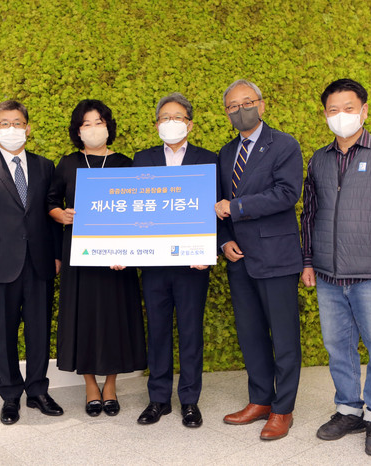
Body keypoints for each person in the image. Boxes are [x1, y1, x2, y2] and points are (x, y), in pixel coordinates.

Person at [300, 79, 371, 457]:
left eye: (348, 108)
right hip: (329, 275)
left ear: (364, 111)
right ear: (325, 114)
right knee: (338, 348)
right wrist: (307, 260)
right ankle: (349, 410)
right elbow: (309, 214)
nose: (341, 116)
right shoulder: (319, 159)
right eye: (333, 110)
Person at [0, 100, 63, 425]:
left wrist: (57, 254)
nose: (12, 129)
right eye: (5, 124)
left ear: (27, 128)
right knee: (3, 332)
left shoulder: (45, 166)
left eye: (17, 123)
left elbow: (51, 213)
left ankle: (37, 391)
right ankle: (9, 395)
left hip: (39, 262)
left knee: (39, 330)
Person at [214, 80, 303, 440]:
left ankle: (283, 409)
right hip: (240, 259)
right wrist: (224, 241)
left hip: (276, 256)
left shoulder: (284, 145)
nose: (241, 110)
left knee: (284, 337)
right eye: (233, 106)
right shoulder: (225, 153)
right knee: (250, 335)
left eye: (247, 102)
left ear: (262, 105)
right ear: (227, 113)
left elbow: (286, 193)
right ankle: (260, 400)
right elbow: (216, 203)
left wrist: (237, 207)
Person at [47, 99, 146, 417]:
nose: (93, 129)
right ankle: (90, 385)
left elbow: (137, 211)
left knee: (116, 317)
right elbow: (51, 202)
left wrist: (126, 251)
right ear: (78, 131)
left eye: (98, 122)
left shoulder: (126, 164)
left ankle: (111, 385)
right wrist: (62, 215)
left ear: (108, 126)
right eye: (86, 124)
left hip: (118, 259)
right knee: (84, 317)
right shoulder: (68, 163)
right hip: (80, 256)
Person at [132, 92, 216, 428]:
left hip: (193, 265)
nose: (171, 123)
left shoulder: (208, 159)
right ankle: (158, 399)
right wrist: (120, 249)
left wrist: (209, 250)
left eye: (177, 117)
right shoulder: (143, 159)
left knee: (191, 331)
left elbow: (216, 208)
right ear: (157, 125)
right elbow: (133, 209)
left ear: (190, 124)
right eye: (165, 117)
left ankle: (190, 401)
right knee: (158, 331)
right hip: (154, 264)